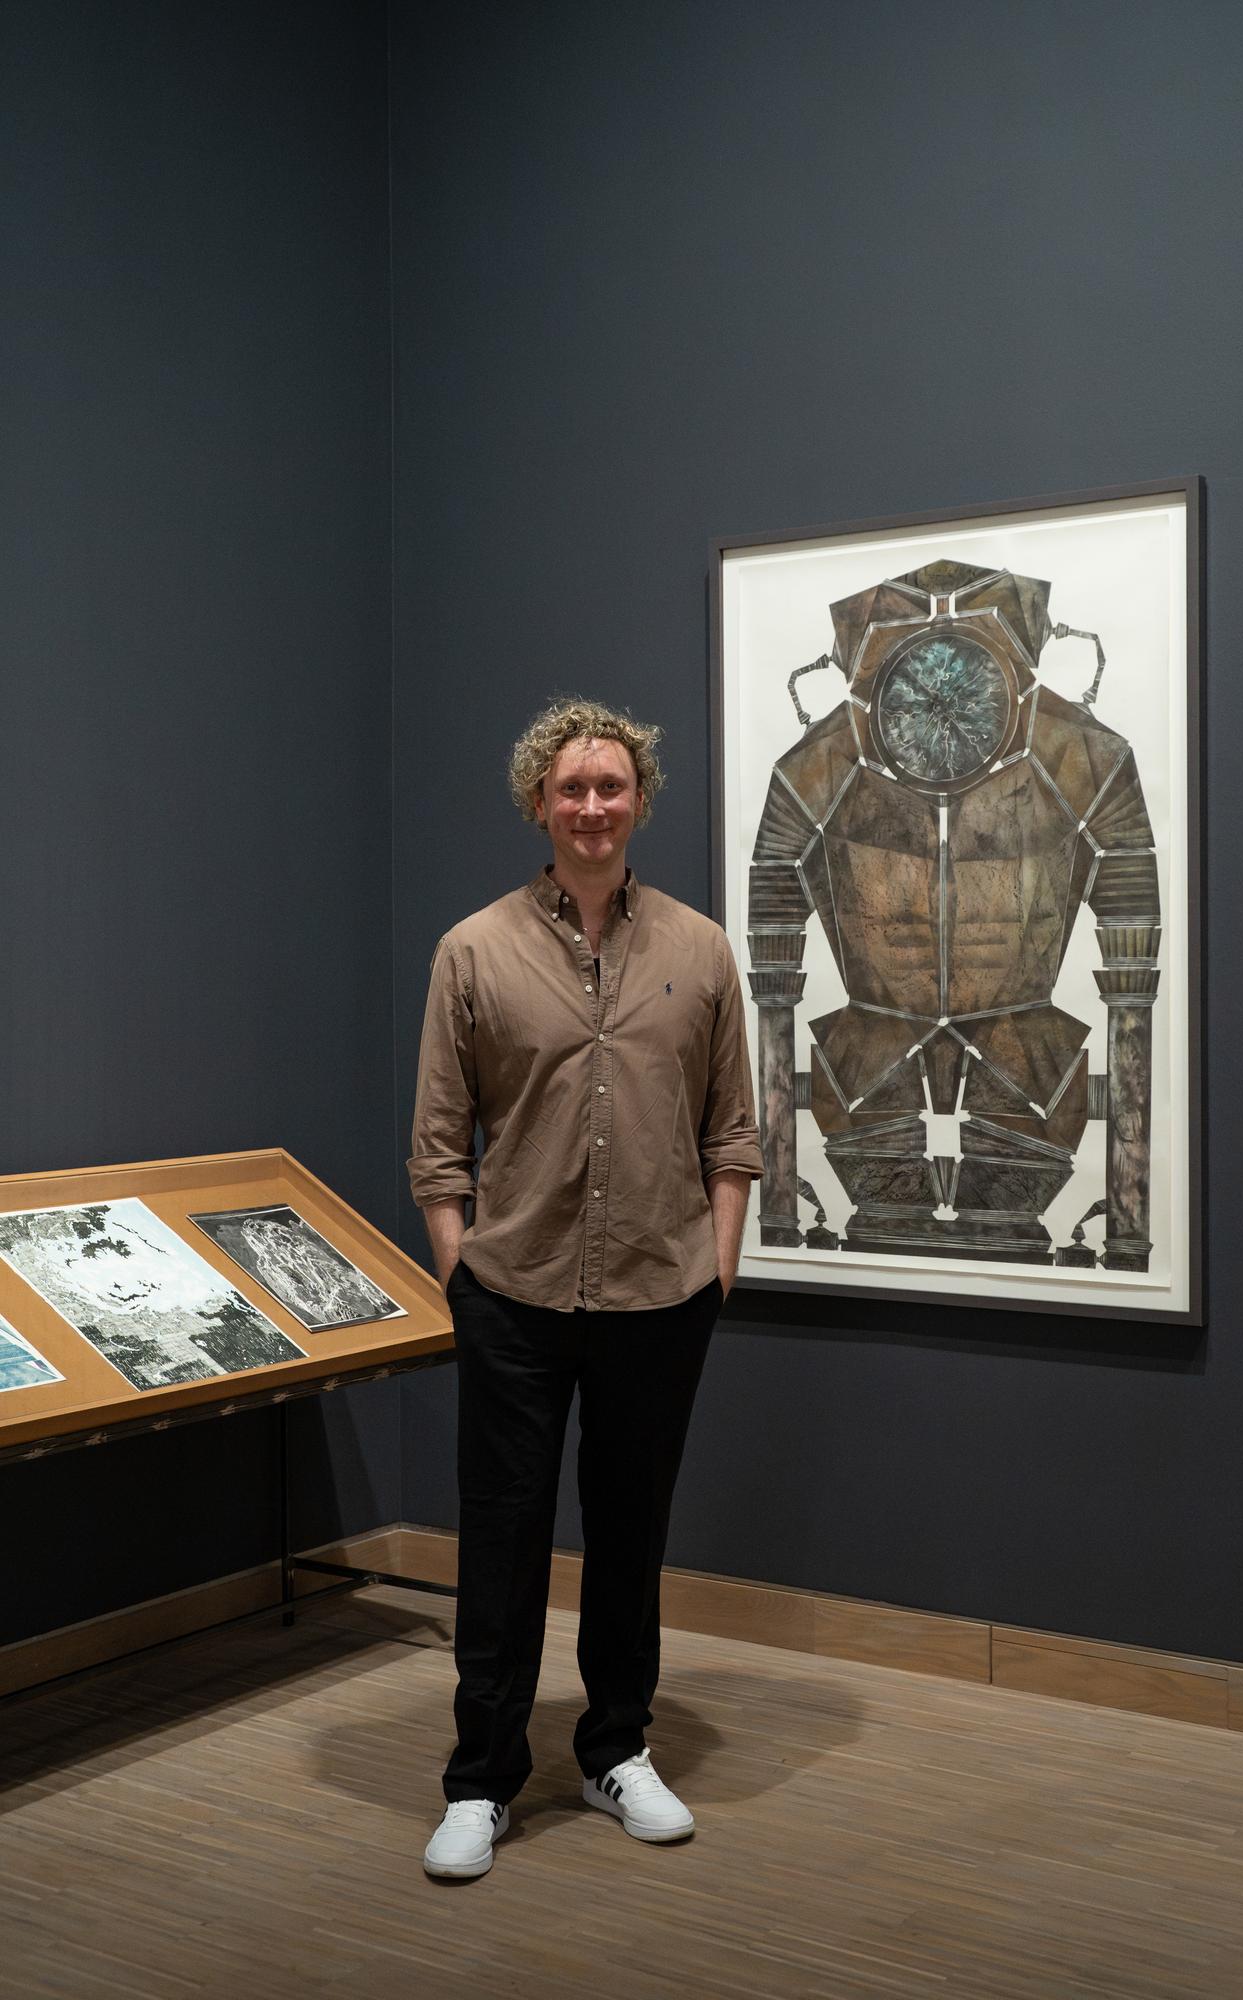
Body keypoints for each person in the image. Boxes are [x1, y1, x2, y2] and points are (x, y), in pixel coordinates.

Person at [407, 696, 763, 1881]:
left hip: (661, 1295)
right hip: (511, 1295)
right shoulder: (472, 949)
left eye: (611, 785)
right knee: (501, 1540)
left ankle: (616, 1748)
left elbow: (733, 1131)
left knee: (629, 1534)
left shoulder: (699, 951)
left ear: (640, 799)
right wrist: (461, 1267)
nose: (593, 805)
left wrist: (717, 1262)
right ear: (539, 802)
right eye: (572, 787)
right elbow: (438, 1141)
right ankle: (480, 1779)